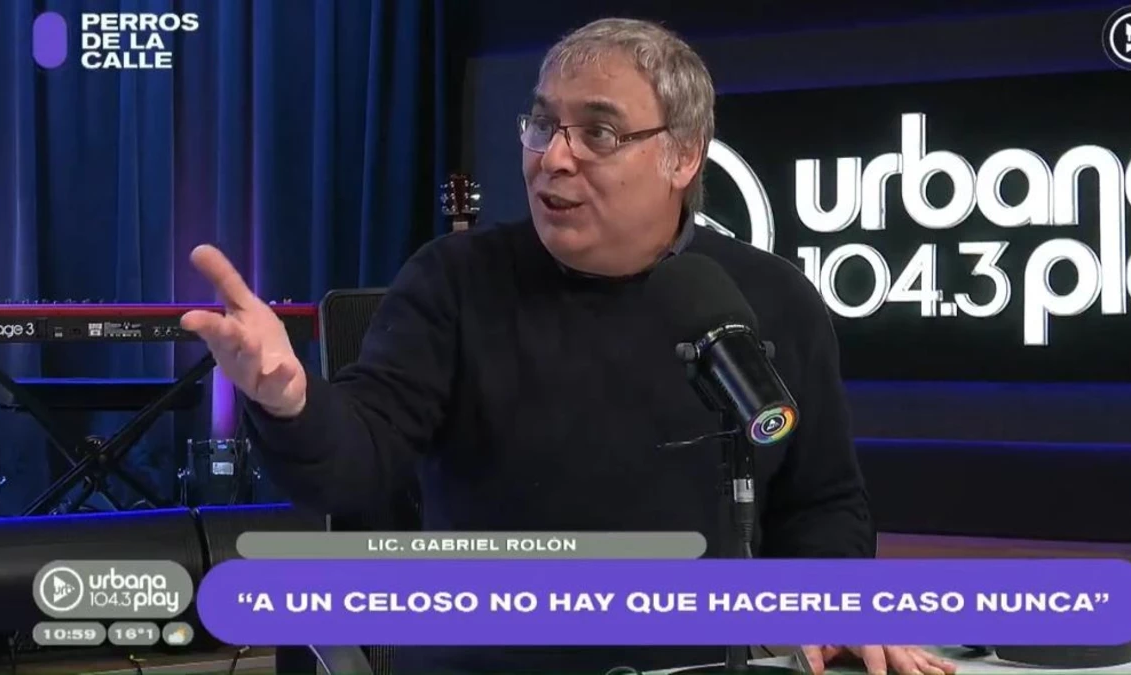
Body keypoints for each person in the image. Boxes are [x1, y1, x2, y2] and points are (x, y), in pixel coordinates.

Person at [182, 17, 957, 675]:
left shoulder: (769, 298)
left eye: (599, 132)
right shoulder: (455, 280)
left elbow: (822, 501)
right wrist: (288, 400)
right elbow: (358, 459)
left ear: (684, 155)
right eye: (541, 124)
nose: (554, 157)